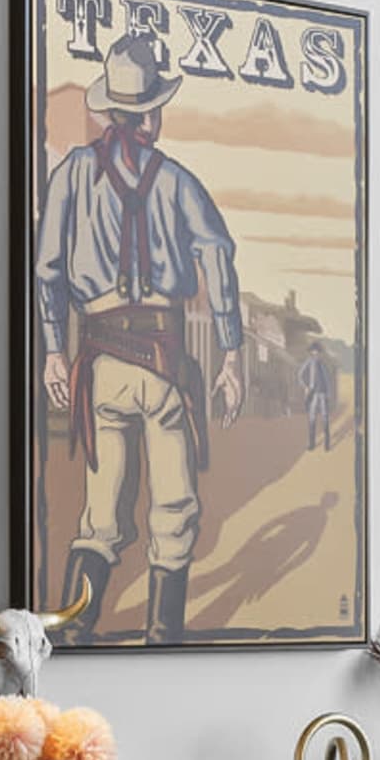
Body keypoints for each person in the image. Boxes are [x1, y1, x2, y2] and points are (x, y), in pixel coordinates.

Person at [32, 35, 242, 641]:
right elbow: (217, 254)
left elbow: (47, 269)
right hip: (163, 364)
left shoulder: (70, 174)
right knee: (173, 513)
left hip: (100, 365)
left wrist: (53, 349)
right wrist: (229, 352)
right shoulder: (176, 181)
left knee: (101, 518)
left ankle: (72, 638)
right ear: (149, 112)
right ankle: (160, 637)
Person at [302, 343, 336, 451]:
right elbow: (300, 375)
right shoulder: (308, 363)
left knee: (325, 418)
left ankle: (327, 444)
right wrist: (306, 386)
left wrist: (329, 393)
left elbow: (327, 379)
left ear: (319, 353)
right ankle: (312, 444)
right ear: (311, 352)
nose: (316, 353)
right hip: (313, 394)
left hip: (323, 394)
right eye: (314, 351)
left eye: (317, 352)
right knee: (312, 418)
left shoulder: (322, 364)